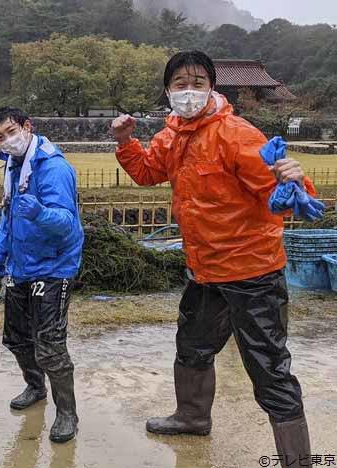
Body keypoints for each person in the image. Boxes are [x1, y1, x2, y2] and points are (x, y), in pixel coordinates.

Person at [111, 50, 314, 463]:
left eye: (197, 83)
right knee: (192, 346)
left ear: (212, 88)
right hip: (204, 271)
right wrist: (125, 142)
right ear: (168, 91)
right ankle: (191, 417)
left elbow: (287, 199)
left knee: (268, 367)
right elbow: (149, 172)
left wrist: (294, 180)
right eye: (180, 84)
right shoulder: (172, 136)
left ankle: (297, 459)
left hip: (252, 273)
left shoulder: (237, 135)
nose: (188, 92)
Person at [0, 107, 84, 443]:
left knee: (49, 345)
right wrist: (1, 253)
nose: (7, 140)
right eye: (0, 137)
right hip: (21, 263)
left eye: (11, 131)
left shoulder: (53, 167)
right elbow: (7, 216)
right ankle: (34, 386)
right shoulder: (13, 168)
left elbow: (68, 226)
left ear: (27, 127)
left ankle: (67, 412)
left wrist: (41, 213)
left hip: (54, 266)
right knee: (16, 336)